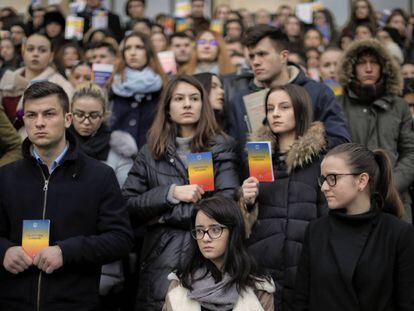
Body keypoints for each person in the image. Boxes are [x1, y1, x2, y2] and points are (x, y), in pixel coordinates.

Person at [0, 81, 133, 310]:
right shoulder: (5, 176)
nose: (39, 122)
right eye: (31, 115)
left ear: (67, 119)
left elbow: (120, 238)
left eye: (49, 114)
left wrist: (66, 251)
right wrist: (4, 250)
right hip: (14, 301)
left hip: (74, 302)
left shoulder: (99, 176)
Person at [122, 75, 239, 310]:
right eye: (179, 98)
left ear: (203, 105)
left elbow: (226, 207)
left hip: (209, 260)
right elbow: (127, 206)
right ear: (167, 108)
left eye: (194, 98)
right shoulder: (149, 152)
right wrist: (171, 193)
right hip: (160, 259)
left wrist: (162, 217)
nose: (187, 104)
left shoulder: (221, 146)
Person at [293, 143, 414, 310]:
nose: (324, 187)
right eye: (323, 179)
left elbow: (407, 303)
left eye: (332, 178)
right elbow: (300, 300)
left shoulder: (398, 234)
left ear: (362, 181)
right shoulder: (316, 231)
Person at [240, 84, 327, 311]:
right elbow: (244, 224)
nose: (275, 113)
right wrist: (246, 201)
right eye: (270, 108)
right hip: (261, 267)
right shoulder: (257, 158)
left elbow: (327, 217)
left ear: (300, 109)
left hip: (305, 267)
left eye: (284, 107)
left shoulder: (320, 161)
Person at [227, 25, 350, 156]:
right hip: (255, 176)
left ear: (283, 56)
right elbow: (235, 154)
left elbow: (341, 142)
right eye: (251, 56)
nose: (256, 62)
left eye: (262, 54)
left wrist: (302, 147)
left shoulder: (318, 92)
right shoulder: (239, 100)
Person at [338, 38, 414, 222]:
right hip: (351, 201)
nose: (369, 68)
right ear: (351, 68)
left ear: (384, 68)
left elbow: (411, 152)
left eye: (374, 63)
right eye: (362, 63)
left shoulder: (399, 106)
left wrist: (390, 185)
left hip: (396, 201)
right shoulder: (338, 105)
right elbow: (334, 153)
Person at [163, 196, 275, 311]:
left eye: (215, 229)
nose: (205, 238)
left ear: (233, 232)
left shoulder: (259, 287)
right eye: (199, 231)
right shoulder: (180, 283)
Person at [108, 31, 167, 148]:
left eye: (139, 47)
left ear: (149, 52)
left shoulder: (164, 85)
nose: (132, 53)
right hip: (118, 154)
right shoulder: (112, 84)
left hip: (153, 152)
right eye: (128, 48)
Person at [0, 33, 74, 125]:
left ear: (51, 56)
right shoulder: (7, 79)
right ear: (23, 53)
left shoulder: (62, 85)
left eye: (42, 50)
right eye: (30, 49)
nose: (35, 54)